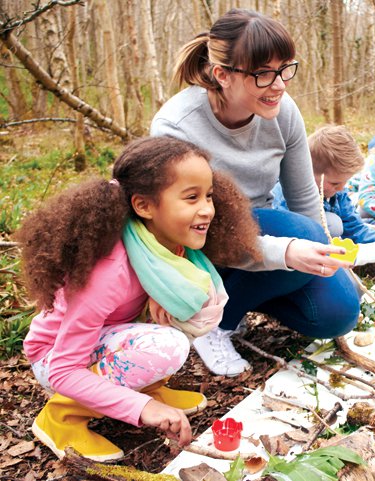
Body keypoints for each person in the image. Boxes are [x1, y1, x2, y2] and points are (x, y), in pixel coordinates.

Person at [15, 137, 260, 461]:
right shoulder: (109, 271)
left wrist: (154, 300)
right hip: (55, 358)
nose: (207, 209)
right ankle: (61, 419)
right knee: (166, 344)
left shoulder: (162, 245)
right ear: (144, 206)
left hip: (102, 341)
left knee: (182, 314)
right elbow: (63, 368)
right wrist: (143, 409)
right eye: (191, 197)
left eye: (209, 195)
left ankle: (145, 384)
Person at [151, 9, 359, 377]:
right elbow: (184, 229)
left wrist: (322, 253)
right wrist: (289, 249)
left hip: (262, 233)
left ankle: (251, 293)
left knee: (339, 312)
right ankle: (216, 323)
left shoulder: (283, 112)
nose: (279, 85)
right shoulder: (177, 128)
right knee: (301, 238)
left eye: (286, 69)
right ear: (223, 75)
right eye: (264, 74)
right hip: (203, 246)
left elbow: (304, 197)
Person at [273, 125, 375, 266]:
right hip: (295, 259)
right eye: (335, 183)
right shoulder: (288, 196)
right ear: (308, 171)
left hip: (327, 251)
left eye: (344, 182)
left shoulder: (337, 193)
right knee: (333, 223)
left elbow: (354, 229)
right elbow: (311, 247)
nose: (341, 188)